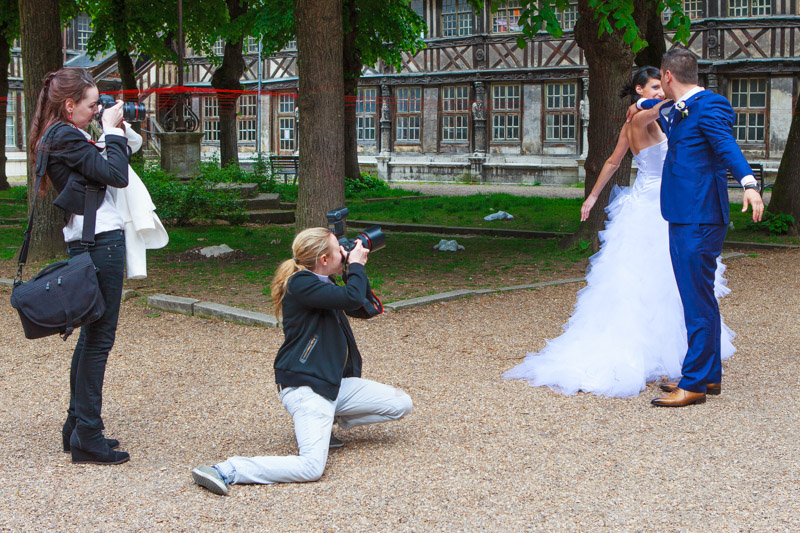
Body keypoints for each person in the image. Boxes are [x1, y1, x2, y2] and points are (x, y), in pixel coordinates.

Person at [502, 66, 737, 399]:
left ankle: (690, 359)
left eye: (661, 86)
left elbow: (613, 163)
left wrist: (594, 196)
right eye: (654, 87)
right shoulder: (642, 119)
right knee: (646, 280)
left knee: (671, 282)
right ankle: (663, 356)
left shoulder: (641, 117)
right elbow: (618, 157)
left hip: (666, 200)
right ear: (640, 90)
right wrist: (658, 103)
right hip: (657, 206)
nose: (660, 91)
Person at [192, 228, 412, 496]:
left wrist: (349, 270)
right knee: (311, 467)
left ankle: (330, 418)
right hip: (307, 388)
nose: (343, 252)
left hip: (331, 384)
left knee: (401, 404)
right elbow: (352, 297)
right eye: (337, 249)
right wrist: (355, 264)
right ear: (322, 259)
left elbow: (364, 308)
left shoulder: (324, 283)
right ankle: (226, 470)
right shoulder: (301, 283)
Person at [636, 48, 764, 407]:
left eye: (659, 80)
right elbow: (656, 109)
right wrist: (642, 106)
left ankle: (693, 384)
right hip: (684, 213)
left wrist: (750, 184)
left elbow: (726, 146)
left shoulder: (710, 106)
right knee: (698, 297)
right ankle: (708, 377)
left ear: (666, 77)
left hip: (699, 217)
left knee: (696, 300)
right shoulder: (677, 108)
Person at [28, 67, 131, 463]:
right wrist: (113, 131)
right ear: (69, 106)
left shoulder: (61, 135)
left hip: (88, 241)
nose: (97, 109)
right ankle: (88, 434)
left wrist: (112, 130)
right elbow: (115, 174)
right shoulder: (67, 136)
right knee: (99, 339)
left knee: (91, 338)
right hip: (99, 242)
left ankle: (77, 426)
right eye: (91, 104)